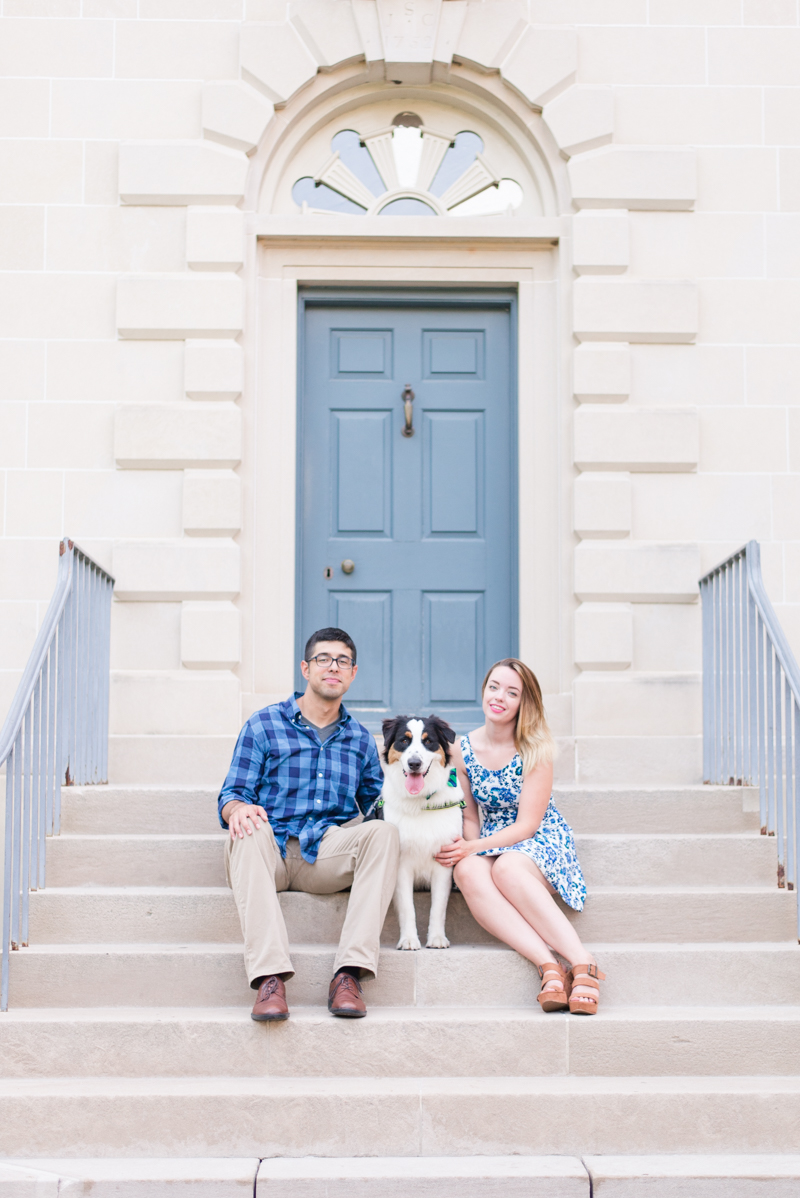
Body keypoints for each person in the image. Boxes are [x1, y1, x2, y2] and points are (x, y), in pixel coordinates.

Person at [218, 627, 399, 1022]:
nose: (333, 667)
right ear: (306, 668)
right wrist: (239, 810)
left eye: (343, 661)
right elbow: (231, 795)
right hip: (272, 851)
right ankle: (270, 979)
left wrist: (438, 786)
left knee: (386, 833)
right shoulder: (264, 725)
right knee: (247, 827)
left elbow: (380, 806)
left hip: (326, 854)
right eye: (323, 659)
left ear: (352, 674)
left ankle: (349, 974)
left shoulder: (360, 740)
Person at [436, 658, 604, 1015]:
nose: (499, 697)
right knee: (466, 871)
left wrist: (476, 847)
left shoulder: (535, 750)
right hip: (491, 839)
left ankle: (583, 962)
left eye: (511, 693)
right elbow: (469, 816)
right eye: (494, 687)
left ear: (522, 704)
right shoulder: (460, 750)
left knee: (508, 868)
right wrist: (466, 850)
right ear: (484, 690)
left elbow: (528, 825)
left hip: (540, 838)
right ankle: (549, 966)